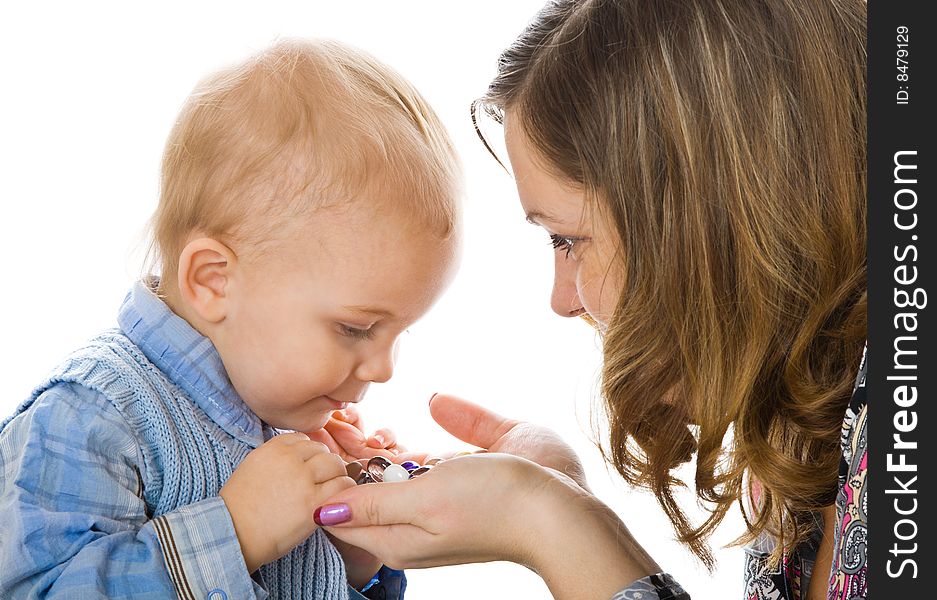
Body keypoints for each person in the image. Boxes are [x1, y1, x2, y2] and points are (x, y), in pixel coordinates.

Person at [314, 1, 868, 598]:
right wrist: (558, 505)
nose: (561, 299)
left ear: (707, 217)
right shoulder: (797, 443)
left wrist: (550, 522)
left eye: (568, 239)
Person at [0, 39, 461, 600]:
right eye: (356, 328)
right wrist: (234, 532)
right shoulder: (91, 416)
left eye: (399, 332)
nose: (385, 368)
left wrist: (351, 555)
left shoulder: (274, 406)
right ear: (213, 280)